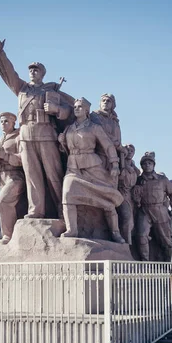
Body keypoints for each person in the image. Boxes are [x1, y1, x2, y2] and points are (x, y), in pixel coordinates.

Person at [0, 34, 73, 219]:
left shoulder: (51, 90)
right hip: (26, 134)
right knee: (32, 174)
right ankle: (36, 210)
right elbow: (9, 74)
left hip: (46, 133)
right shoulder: (22, 89)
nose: (33, 72)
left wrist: (56, 109)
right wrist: (1, 54)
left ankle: (63, 210)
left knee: (54, 174)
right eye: (31, 70)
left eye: (36, 70)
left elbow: (69, 110)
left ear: (42, 73)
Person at [58, 98, 126, 243]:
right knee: (67, 194)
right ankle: (72, 229)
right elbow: (64, 150)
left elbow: (108, 146)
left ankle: (115, 232)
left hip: (92, 167)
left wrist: (114, 164)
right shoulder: (69, 128)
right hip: (73, 167)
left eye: (80, 107)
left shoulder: (94, 127)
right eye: (75, 107)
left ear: (87, 111)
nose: (76, 109)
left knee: (107, 199)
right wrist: (62, 141)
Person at [0, 112, 27, 244]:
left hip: (16, 177)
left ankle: (7, 236)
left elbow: (23, 159)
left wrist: (5, 156)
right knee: (8, 207)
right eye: (1, 122)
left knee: (2, 202)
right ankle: (13, 236)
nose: (3, 124)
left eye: (6, 121)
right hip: (2, 178)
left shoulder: (19, 137)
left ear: (13, 123)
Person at [132, 152, 172, 261]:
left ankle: (167, 264)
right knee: (141, 236)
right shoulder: (138, 180)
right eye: (144, 164)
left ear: (153, 165)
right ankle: (145, 263)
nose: (147, 165)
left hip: (160, 211)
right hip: (144, 210)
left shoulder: (162, 180)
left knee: (165, 240)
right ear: (142, 166)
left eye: (149, 163)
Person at [90, 93, 124, 187]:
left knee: (112, 185)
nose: (105, 102)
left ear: (113, 105)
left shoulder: (115, 121)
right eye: (103, 100)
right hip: (99, 155)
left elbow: (118, 138)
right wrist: (118, 145)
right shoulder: (94, 116)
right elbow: (102, 134)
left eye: (108, 101)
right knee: (99, 184)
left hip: (113, 157)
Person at [117, 144, 140, 245]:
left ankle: (128, 242)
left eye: (132, 151)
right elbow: (120, 176)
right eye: (128, 150)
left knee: (131, 222)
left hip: (131, 195)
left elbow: (139, 173)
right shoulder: (119, 162)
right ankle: (126, 243)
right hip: (121, 193)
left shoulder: (133, 166)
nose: (130, 152)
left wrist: (132, 166)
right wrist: (124, 165)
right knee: (126, 217)